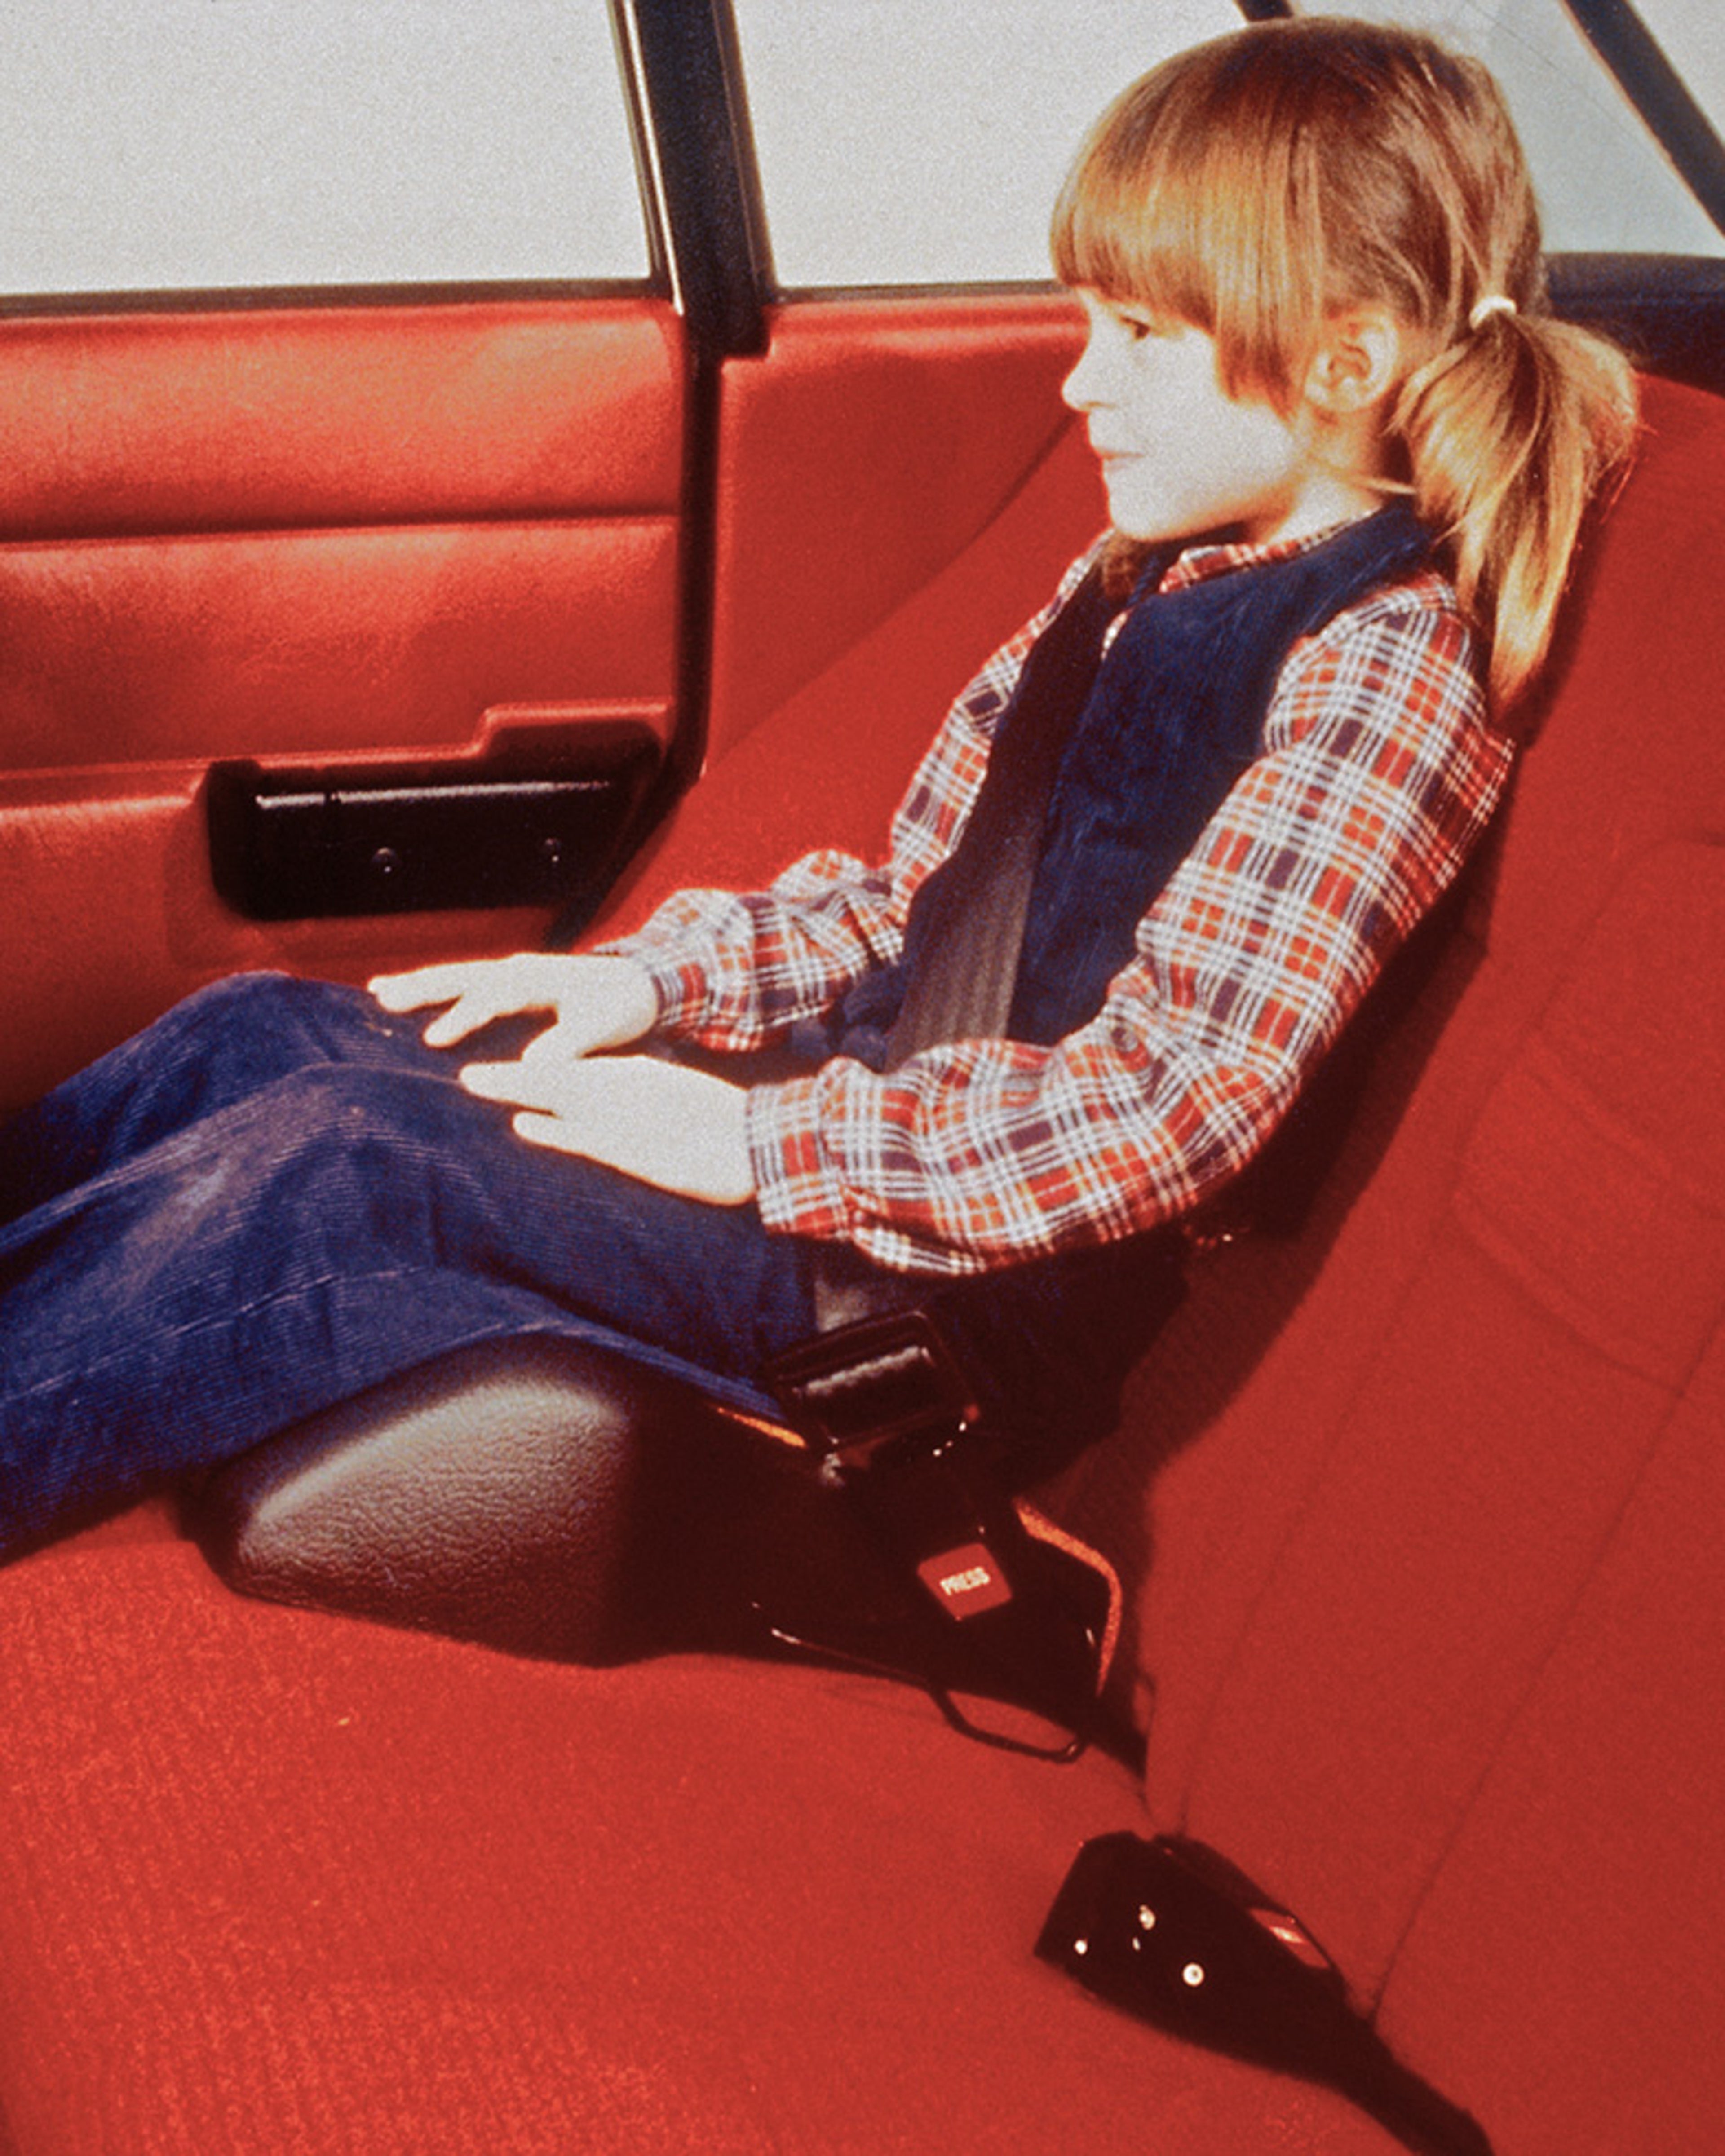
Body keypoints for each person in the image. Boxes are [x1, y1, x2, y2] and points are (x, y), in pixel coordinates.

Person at [0, 19, 1635, 1561]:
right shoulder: (1138, 580)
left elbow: (1174, 1103)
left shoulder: (1384, 663)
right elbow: (902, 902)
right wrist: (642, 985)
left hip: (941, 1311)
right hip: (850, 1154)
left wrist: (759, 1141)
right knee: (267, 1034)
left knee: (345, 1169)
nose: (1078, 382)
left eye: (1138, 336)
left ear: (1346, 357)